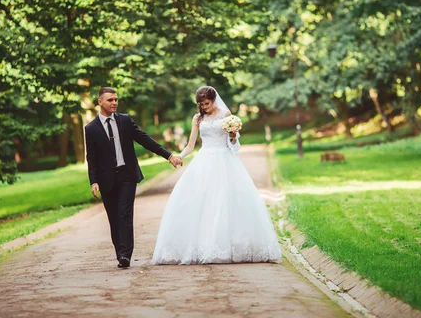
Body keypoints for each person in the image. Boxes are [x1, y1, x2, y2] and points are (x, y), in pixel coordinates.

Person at [152, 86, 281, 264]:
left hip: (225, 160)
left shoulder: (226, 115)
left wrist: (233, 136)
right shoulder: (197, 118)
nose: (204, 107)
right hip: (204, 160)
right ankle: (203, 246)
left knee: (226, 201)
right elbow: (191, 145)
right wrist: (178, 157)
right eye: (201, 104)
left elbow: (234, 146)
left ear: (213, 100)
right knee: (201, 202)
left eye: (207, 103)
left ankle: (229, 246)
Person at [85, 87, 182, 269]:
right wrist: (94, 181)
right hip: (106, 179)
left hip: (127, 175)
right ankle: (120, 253)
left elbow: (145, 140)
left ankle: (125, 255)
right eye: (110, 100)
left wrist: (168, 156)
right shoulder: (91, 129)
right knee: (113, 217)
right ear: (100, 102)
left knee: (125, 214)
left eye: (116, 99)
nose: (114, 103)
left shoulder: (125, 120)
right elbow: (92, 158)